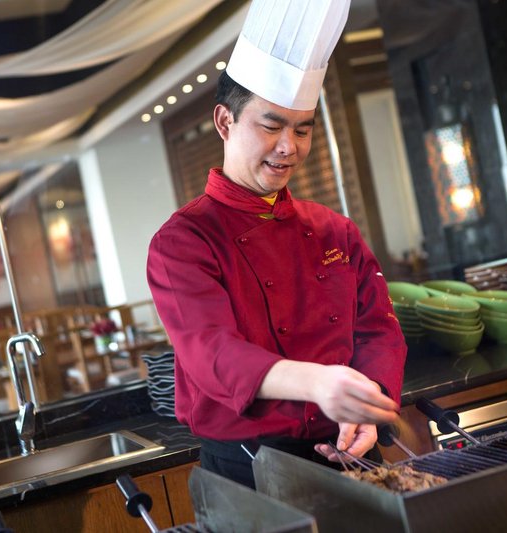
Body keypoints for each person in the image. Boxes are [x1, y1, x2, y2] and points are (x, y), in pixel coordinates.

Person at [146, 0, 406, 489]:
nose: (290, 146)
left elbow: (378, 328)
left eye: (303, 129)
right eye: (271, 126)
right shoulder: (182, 241)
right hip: (249, 467)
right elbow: (212, 354)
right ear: (225, 122)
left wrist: (367, 404)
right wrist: (317, 382)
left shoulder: (335, 230)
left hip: (349, 450)